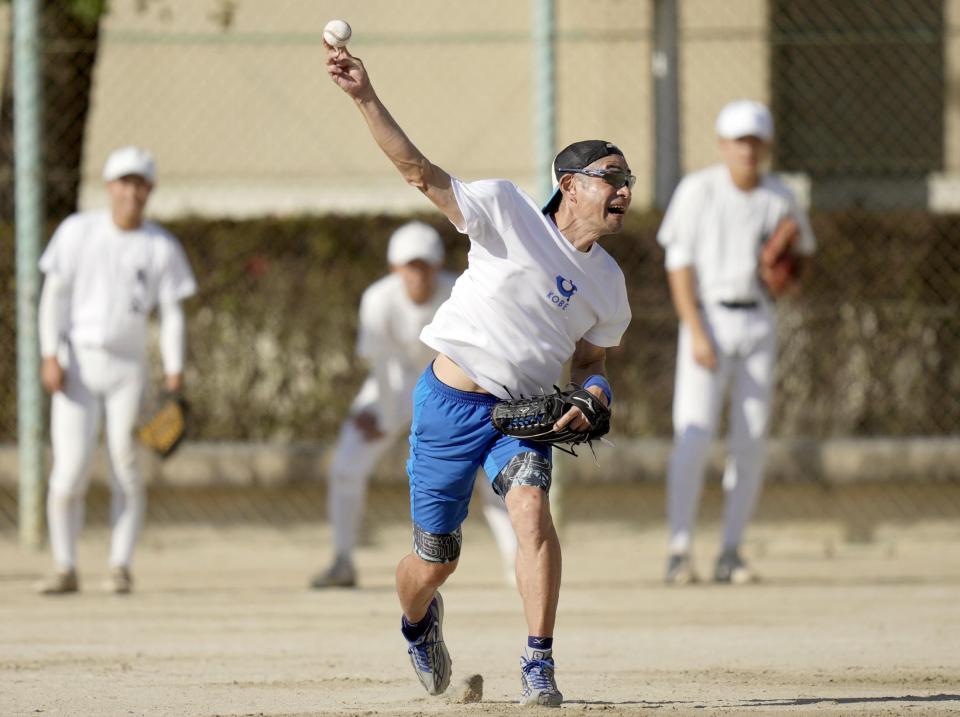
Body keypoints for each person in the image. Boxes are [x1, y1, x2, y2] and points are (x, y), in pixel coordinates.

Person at [326, 42, 632, 707]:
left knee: (531, 512)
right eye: (612, 177)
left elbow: (592, 362)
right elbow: (417, 170)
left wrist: (596, 394)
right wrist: (363, 96)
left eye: (626, 179)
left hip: (517, 415)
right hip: (446, 405)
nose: (624, 190)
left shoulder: (609, 283)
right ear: (572, 184)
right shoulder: (505, 211)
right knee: (436, 562)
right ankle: (416, 623)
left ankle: (539, 665)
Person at [656, 100, 816, 585]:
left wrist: (787, 274)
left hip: (759, 320)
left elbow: (802, 259)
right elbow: (678, 265)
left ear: (765, 146)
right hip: (708, 318)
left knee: (750, 441)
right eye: (738, 141)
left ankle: (731, 551)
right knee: (694, 433)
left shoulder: (780, 196)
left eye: (755, 141)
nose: (747, 149)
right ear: (723, 145)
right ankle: (680, 549)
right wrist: (697, 332)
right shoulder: (698, 190)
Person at [310, 220, 519, 590]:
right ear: (395, 268)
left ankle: (518, 566)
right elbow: (382, 365)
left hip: (455, 386)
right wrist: (383, 416)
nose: (418, 275)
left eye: (425, 266)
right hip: (393, 385)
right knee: (346, 464)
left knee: (492, 476)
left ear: (437, 267)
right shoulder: (378, 299)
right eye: (410, 266)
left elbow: (481, 354)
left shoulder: (460, 290)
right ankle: (342, 561)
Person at [35, 146, 197, 595]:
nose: (132, 192)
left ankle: (119, 564)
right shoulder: (77, 232)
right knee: (69, 470)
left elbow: (172, 315)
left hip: (128, 366)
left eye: (140, 184)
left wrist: (174, 373)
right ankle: (64, 565)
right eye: (124, 182)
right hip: (78, 362)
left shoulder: (160, 246)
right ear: (109, 187)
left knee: (126, 466)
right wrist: (50, 353)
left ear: (149, 191)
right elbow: (53, 297)